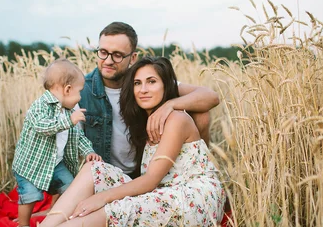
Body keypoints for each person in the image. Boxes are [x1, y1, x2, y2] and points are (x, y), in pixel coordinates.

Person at [0, 56, 226, 227]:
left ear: (167, 87)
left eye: (152, 82)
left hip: (193, 198)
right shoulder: (146, 112)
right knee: (94, 168)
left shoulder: (176, 117)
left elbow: (151, 180)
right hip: (163, 190)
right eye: (138, 83)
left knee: (116, 208)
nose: (143, 89)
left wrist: (101, 198)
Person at [80, 21, 220, 178]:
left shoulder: (143, 82)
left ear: (132, 58)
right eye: (103, 52)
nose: (108, 61)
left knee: (202, 115)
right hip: (106, 172)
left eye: (117, 55)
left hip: (147, 169)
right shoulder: (81, 89)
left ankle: (202, 174)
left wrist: (169, 105)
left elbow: (211, 96)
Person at [11, 59, 102, 227]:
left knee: (70, 188)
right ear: (67, 90)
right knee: (30, 195)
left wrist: (88, 151)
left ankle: (56, 216)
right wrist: (69, 121)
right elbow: (41, 127)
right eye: (79, 92)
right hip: (31, 165)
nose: (80, 97)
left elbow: (78, 137)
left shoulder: (70, 110)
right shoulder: (40, 106)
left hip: (56, 163)